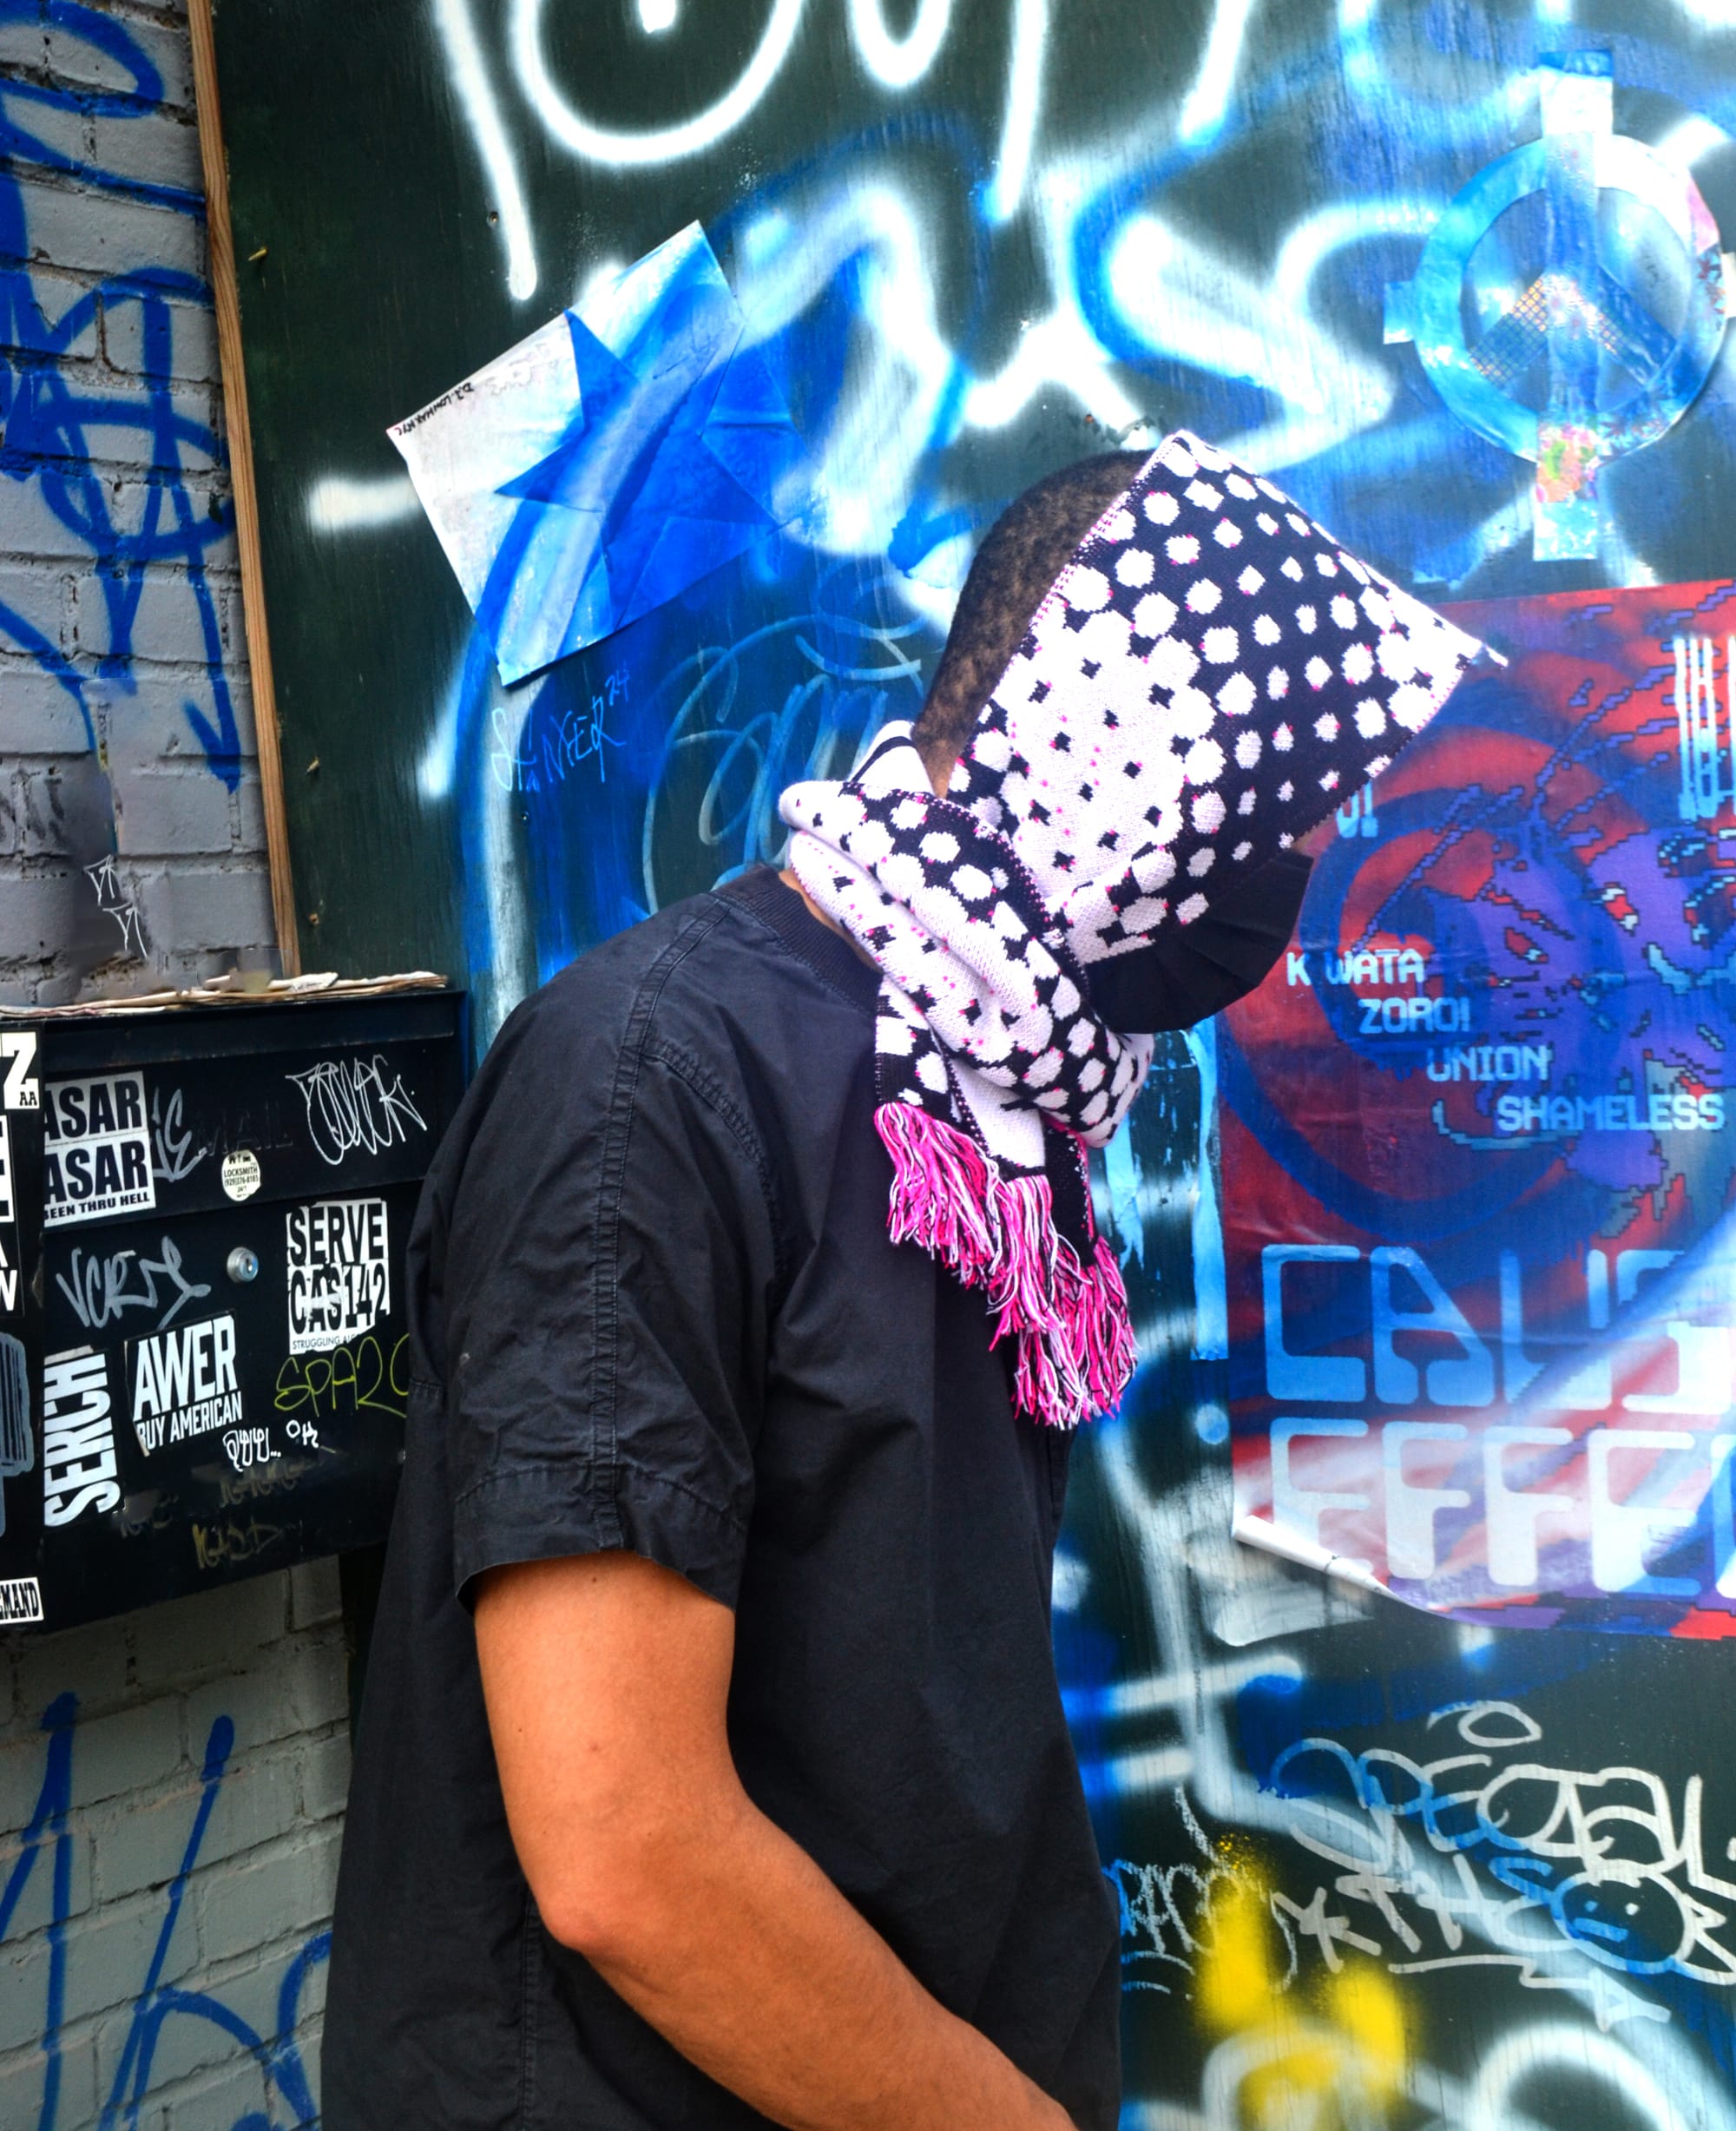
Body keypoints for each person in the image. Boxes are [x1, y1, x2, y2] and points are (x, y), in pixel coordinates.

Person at [321, 430, 1481, 2131]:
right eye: (1273, 823)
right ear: (1130, 771)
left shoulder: (983, 1089)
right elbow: (627, 1855)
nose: (1285, 892)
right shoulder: (652, 1088)